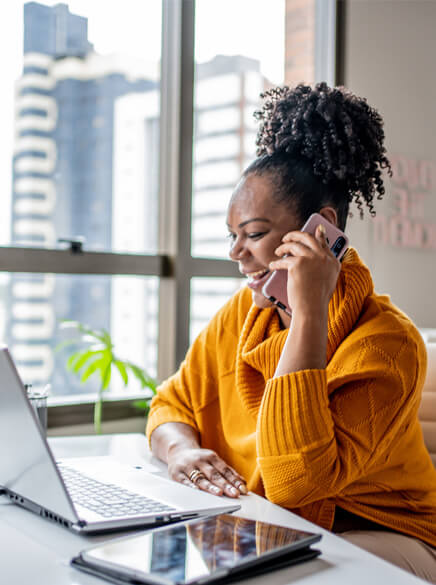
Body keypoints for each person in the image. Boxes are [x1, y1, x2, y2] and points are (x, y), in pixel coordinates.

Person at [147, 82, 436, 581]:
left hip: (380, 531)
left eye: (255, 234)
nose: (238, 253)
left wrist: (308, 312)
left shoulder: (389, 345)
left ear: (321, 229)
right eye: (233, 237)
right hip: (268, 523)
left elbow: (294, 481)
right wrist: (183, 450)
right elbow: (171, 404)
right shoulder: (242, 315)